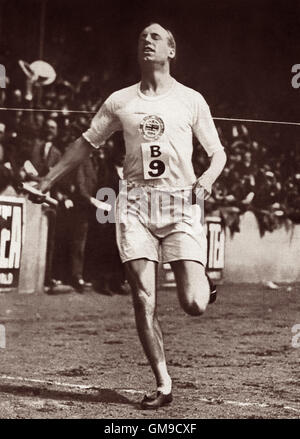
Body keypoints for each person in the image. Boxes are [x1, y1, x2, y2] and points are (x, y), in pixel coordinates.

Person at [37, 23, 227, 409]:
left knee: (194, 304)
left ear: (171, 50)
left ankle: (201, 280)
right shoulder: (120, 101)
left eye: (156, 36)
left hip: (181, 204)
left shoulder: (191, 100)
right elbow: (85, 144)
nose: (147, 39)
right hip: (136, 204)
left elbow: (218, 153)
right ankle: (163, 384)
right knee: (143, 299)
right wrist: (47, 181)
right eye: (142, 36)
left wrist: (206, 179)